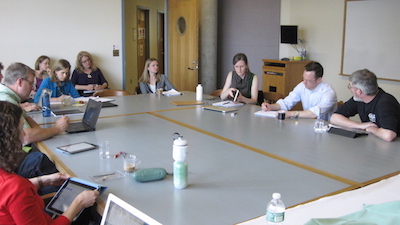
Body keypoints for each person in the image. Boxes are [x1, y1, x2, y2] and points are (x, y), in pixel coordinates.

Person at [0, 100, 99, 224]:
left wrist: (43, 181)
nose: (24, 133)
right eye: (21, 129)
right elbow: (14, 191)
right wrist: (78, 203)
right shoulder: (17, 187)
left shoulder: (9, 181)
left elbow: (7, 192)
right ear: (10, 138)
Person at [1, 62, 69, 144]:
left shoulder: (11, 98)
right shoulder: (7, 100)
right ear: (19, 82)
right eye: (31, 83)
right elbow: (27, 137)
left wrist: (38, 133)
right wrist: (57, 128)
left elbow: (35, 127)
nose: (33, 88)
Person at [331, 69, 400, 142]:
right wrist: (359, 125)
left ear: (359, 91)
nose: (350, 89)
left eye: (350, 86)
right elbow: (334, 118)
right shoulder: (358, 99)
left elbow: (388, 135)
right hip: (374, 141)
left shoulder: (386, 103)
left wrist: (372, 129)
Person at [261, 61, 337, 121]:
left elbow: (314, 113)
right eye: (303, 78)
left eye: (308, 80)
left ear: (319, 80)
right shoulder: (302, 86)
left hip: (324, 128)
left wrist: (291, 114)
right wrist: (271, 106)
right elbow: (287, 102)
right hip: (307, 124)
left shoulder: (329, 93)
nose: (304, 82)